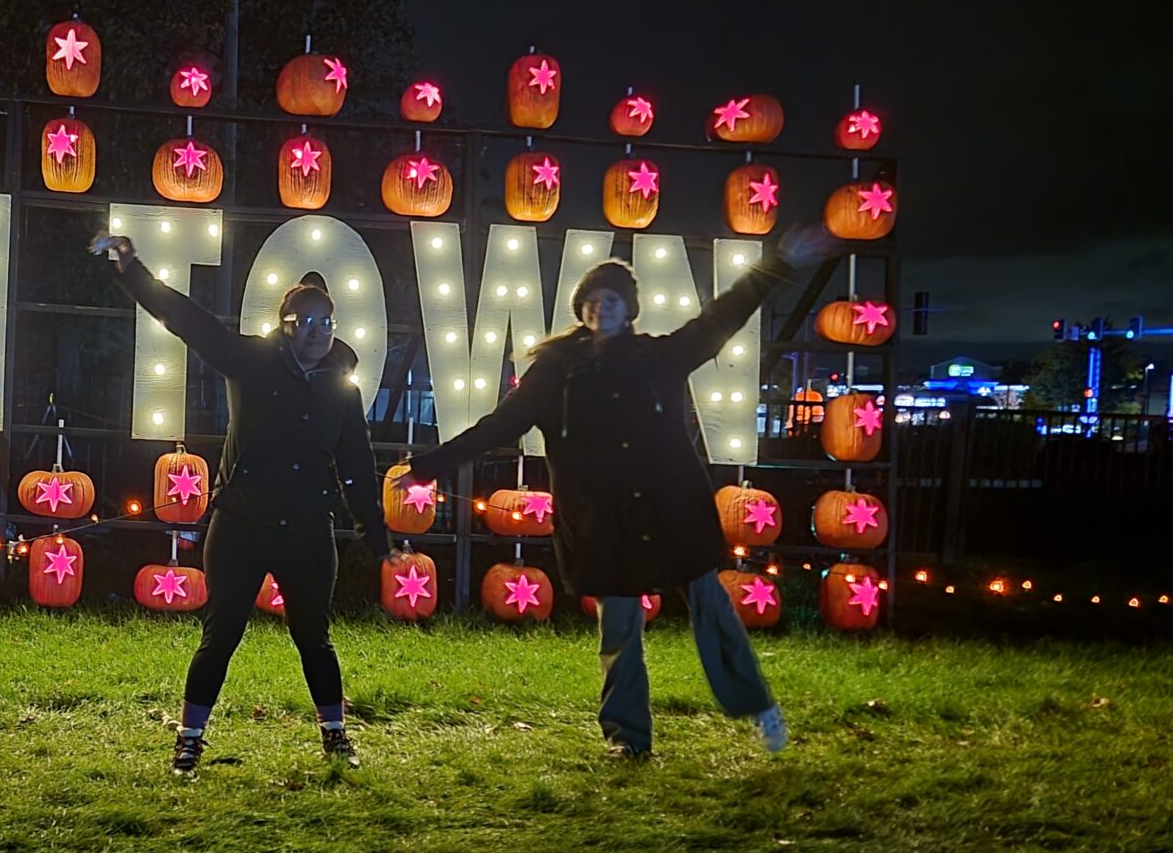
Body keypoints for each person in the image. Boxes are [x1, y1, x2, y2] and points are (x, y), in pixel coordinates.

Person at [407, 223, 842, 758]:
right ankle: (628, 738)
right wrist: (430, 465)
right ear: (581, 307)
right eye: (592, 298)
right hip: (601, 518)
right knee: (619, 629)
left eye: (612, 298)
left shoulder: (661, 358)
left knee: (712, 609)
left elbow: (722, 316)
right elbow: (499, 427)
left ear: (629, 308)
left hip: (671, 508)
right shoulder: (554, 375)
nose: (601, 307)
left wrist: (777, 264)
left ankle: (757, 707)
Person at [99, 233, 408, 776]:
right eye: (306, 322)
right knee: (221, 634)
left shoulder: (343, 389)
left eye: (326, 322)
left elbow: (357, 469)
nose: (318, 331)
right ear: (286, 327)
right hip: (241, 521)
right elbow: (187, 320)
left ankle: (336, 735)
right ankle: (189, 739)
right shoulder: (251, 362)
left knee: (315, 637)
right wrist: (131, 271)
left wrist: (377, 539)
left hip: (308, 530)